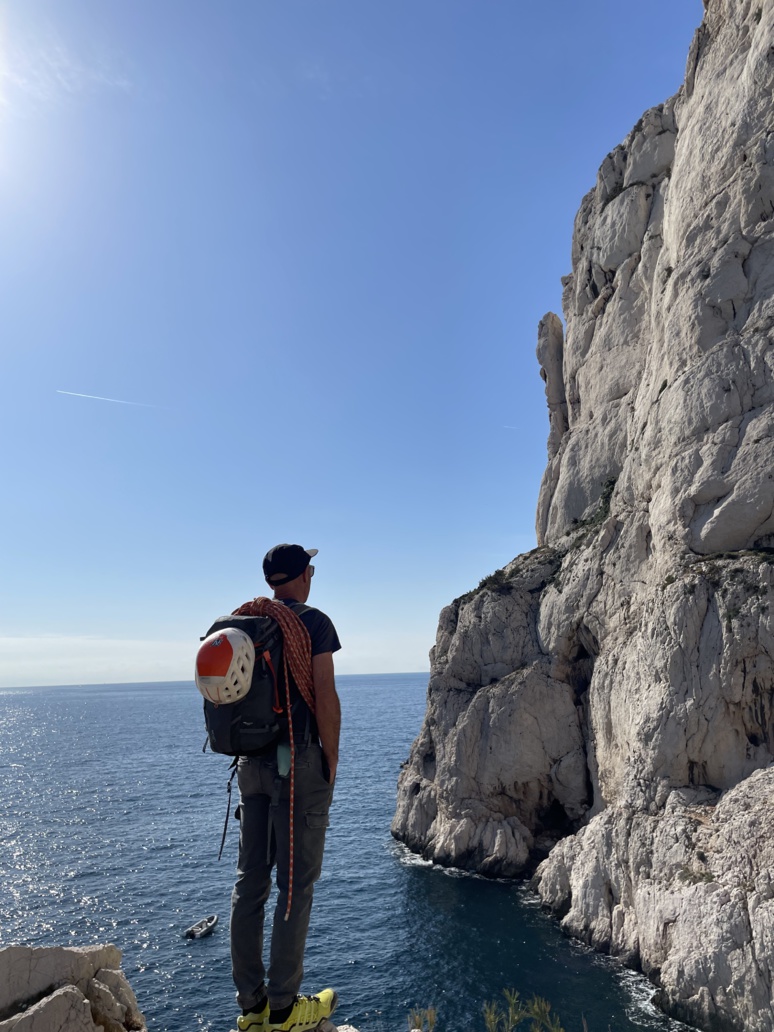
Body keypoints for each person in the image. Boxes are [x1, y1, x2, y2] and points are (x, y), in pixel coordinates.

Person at [230, 544, 342, 1032]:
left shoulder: (245, 622)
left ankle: (251, 1007)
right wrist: (330, 761)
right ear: (305, 574)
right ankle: (284, 1009)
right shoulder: (313, 623)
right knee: (295, 886)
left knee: (250, 883)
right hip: (297, 763)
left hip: (250, 767)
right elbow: (324, 694)